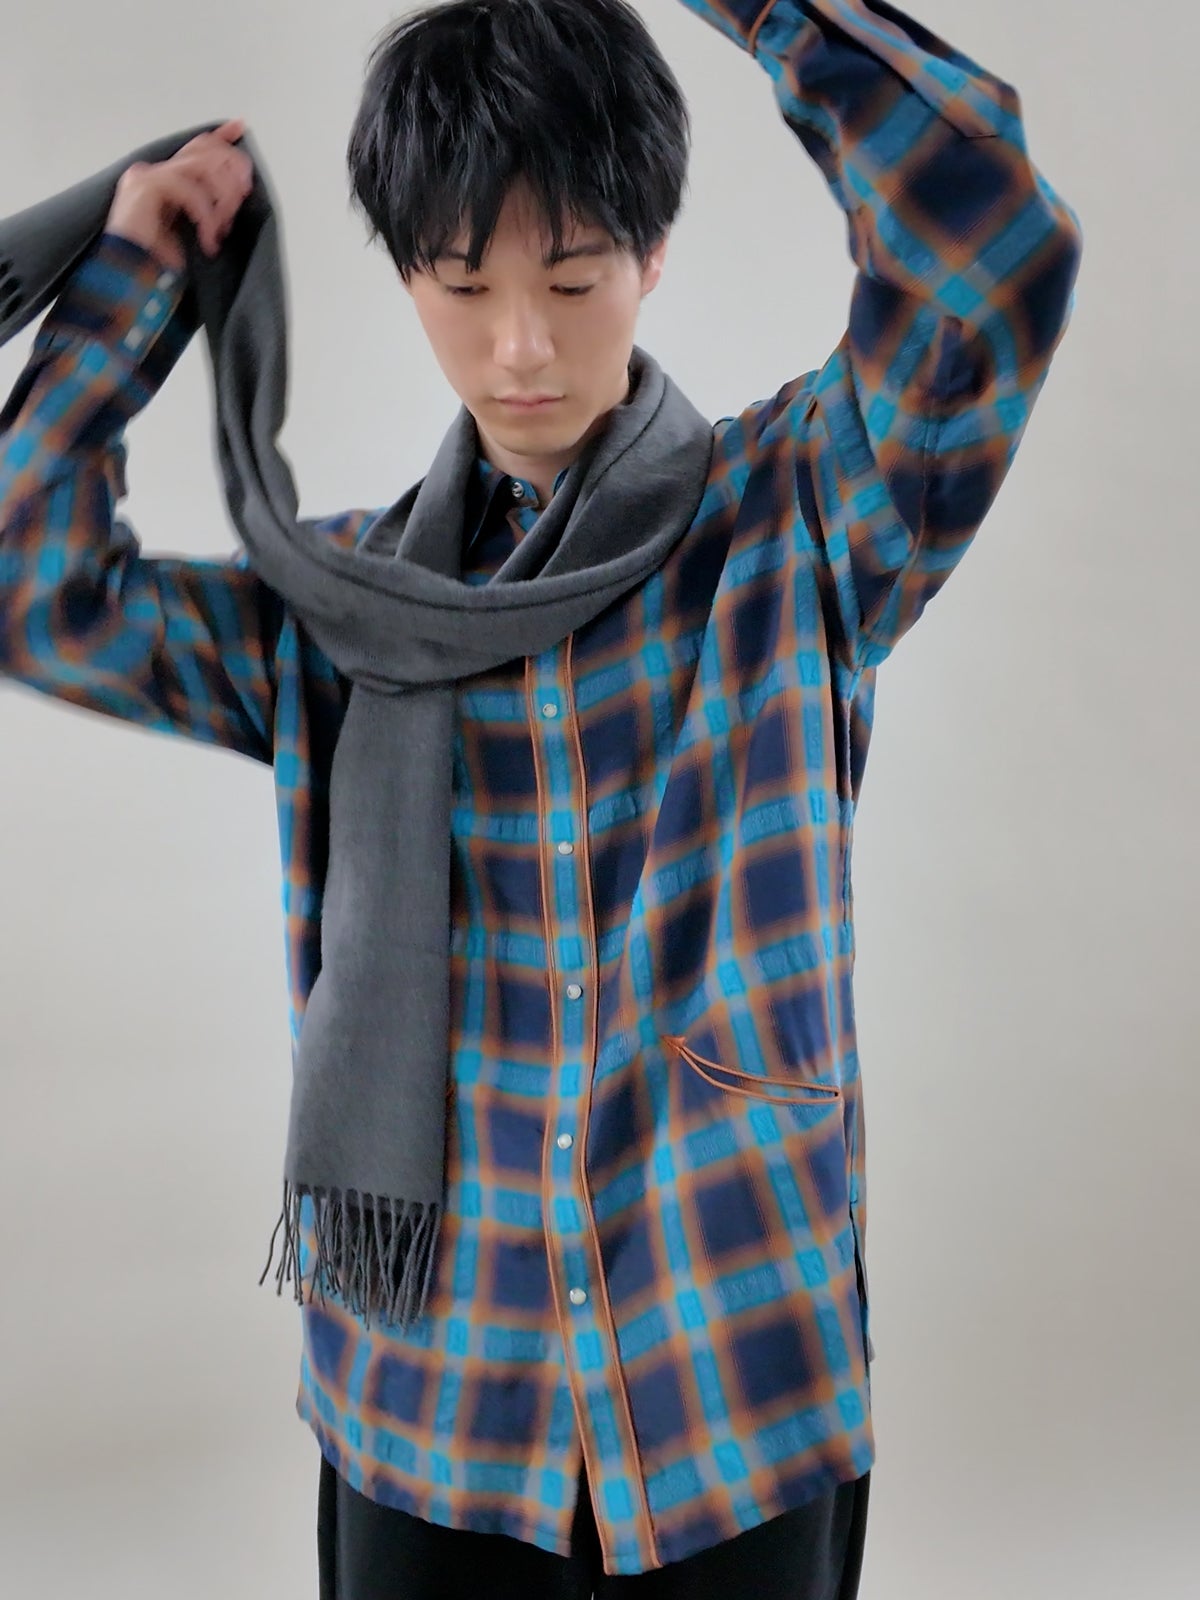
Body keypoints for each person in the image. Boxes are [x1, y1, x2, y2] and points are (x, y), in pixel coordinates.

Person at [0, 0, 1082, 1595]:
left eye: (572, 281)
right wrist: (130, 286)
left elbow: (991, 241)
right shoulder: (343, 613)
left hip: (730, 1374)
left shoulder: (800, 517)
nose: (521, 345)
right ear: (406, 279)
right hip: (434, 1404)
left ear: (652, 257)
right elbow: (35, 591)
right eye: (464, 284)